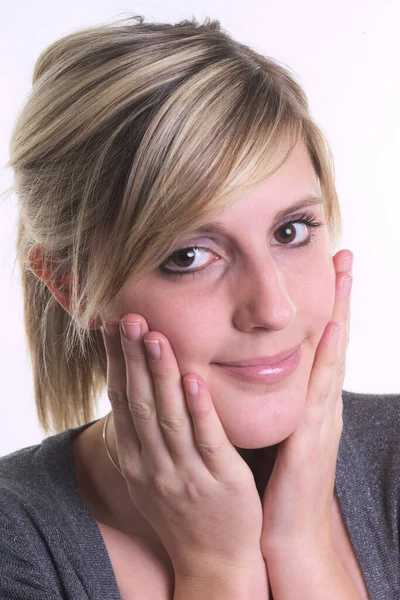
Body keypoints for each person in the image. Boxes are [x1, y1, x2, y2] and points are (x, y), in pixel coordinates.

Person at [0, 13, 398, 600]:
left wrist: (302, 545)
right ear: (70, 286)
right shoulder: (19, 544)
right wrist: (218, 569)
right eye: (189, 256)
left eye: (290, 232)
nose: (272, 307)